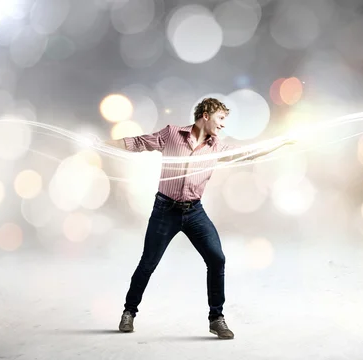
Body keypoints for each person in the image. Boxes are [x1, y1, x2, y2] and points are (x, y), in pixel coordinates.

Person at [103, 97, 294, 339]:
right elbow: (140, 142)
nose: (223, 124)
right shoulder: (172, 134)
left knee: (217, 259)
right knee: (148, 263)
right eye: (221, 118)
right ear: (206, 114)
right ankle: (128, 313)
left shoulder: (217, 148)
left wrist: (281, 142)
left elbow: (248, 153)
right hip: (165, 211)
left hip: (194, 212)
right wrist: (103, 144)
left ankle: (217, 318)